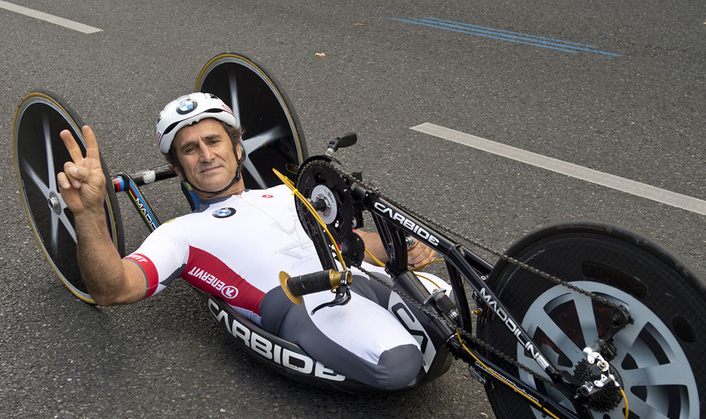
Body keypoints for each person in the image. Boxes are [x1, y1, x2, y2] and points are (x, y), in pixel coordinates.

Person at [57, 92, 437, 390]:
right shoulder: (180, 233)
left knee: (464, 328)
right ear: (178, 169)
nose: (206, 155)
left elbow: (346, 239)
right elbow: (114, 288)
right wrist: (89, 213)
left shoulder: (287, 193)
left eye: (213, 141)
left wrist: (394, 248)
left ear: (237, 148)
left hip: (360, 272)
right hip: (306, 302)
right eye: (190, 149)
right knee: (400, 365)